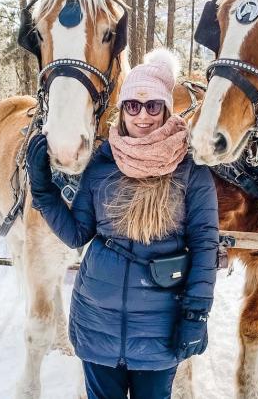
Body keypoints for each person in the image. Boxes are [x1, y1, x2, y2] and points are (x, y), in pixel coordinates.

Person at [26, 48, 218, 399]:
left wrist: (196, 314)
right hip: (96, 323)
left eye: (152, 106)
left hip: (159, 331)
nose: (142, 116)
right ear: (122, 110)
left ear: (166, 109)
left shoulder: (191, 171)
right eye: (133, 105)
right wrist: (43, 191)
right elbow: (77, 234)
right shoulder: (102, 163)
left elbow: (205, 246)